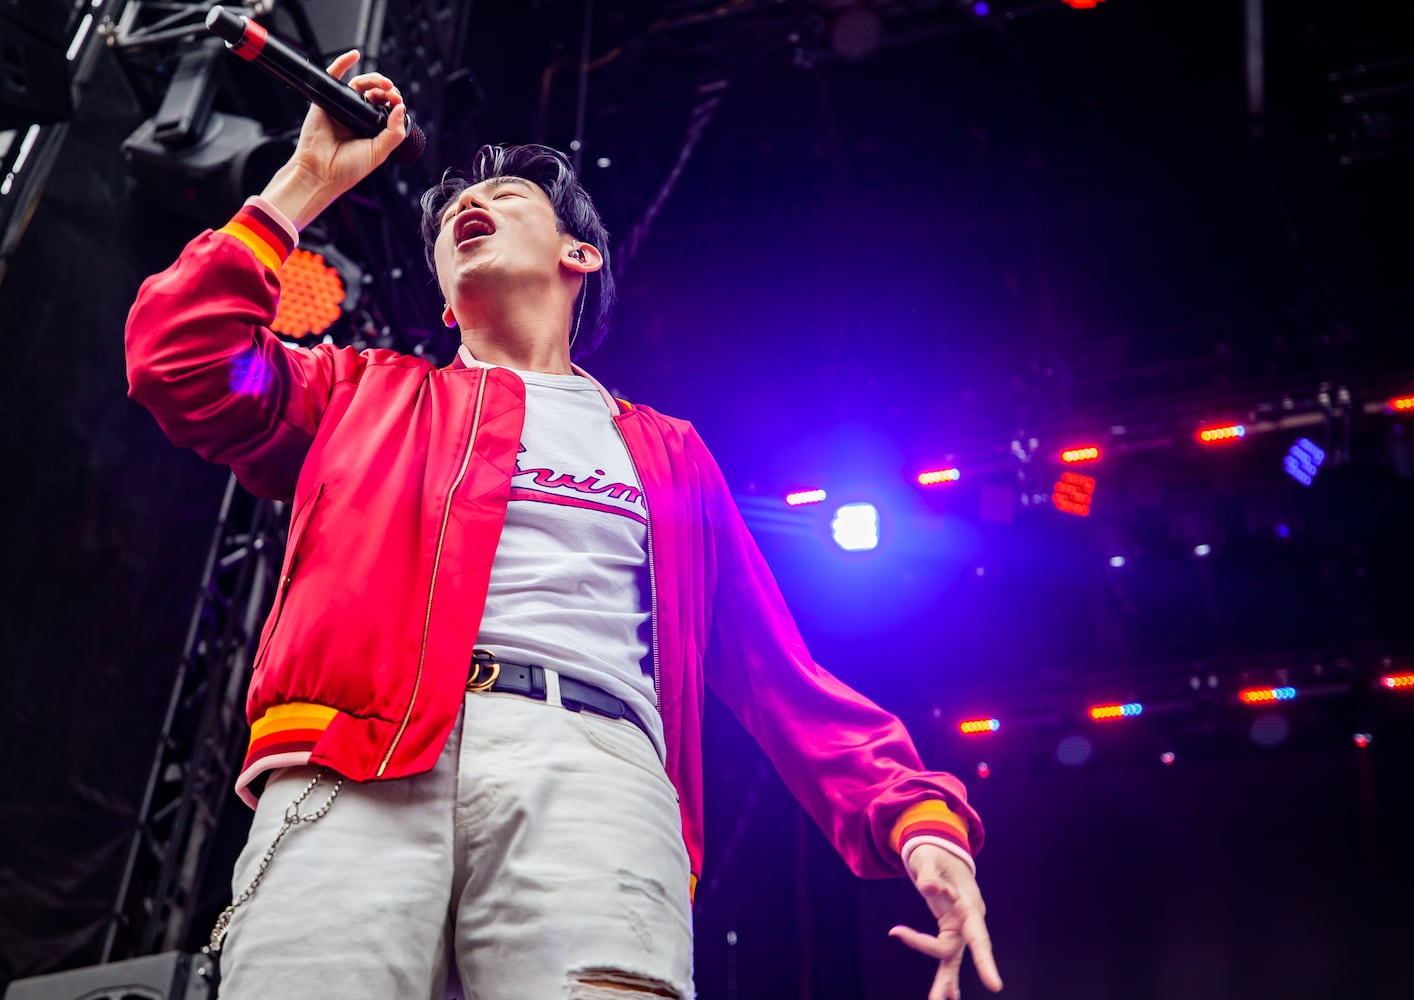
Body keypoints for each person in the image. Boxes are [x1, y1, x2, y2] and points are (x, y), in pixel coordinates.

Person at [124, 50, 1002, 1000]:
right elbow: (179, 357)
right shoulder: (356, 396)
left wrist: (917, 818)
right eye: (456, 210)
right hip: (352, 767)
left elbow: (775, 669)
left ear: (577, 256)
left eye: (505, 196)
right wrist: (304, 183)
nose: (473, 206)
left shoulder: (665, 453)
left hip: (594, 771)